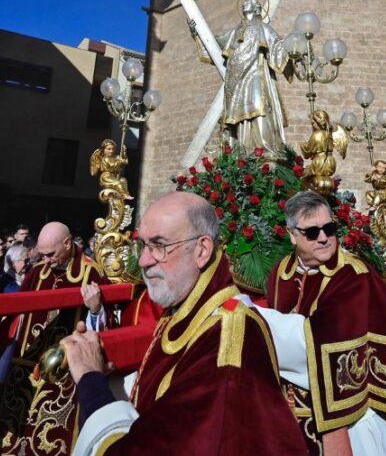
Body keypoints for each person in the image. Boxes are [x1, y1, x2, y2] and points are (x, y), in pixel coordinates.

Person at [62, 191, 306, 454]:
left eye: (159, 245)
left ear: (201, 250)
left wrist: (91, 380)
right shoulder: (185, 308)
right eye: (142, 245)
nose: (144, 260)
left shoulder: (227, 339)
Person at [265, 191, 386, 454]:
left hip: (347, 415)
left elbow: (320, 344)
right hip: (289, 410)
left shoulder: (353, 276)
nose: (323, 237)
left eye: (329, 228)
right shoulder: (280, 272)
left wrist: (259, 320)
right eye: (312, 232)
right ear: (292, 234)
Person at [0, 222, 106, 456]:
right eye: (42, 254)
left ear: (67, 243)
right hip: (23, 372)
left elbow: (105, 326)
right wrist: (0, 370)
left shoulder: (91, 273)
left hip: (64, 378)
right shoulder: (36, 273)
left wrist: (95, 310)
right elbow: (17, 322)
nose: (46, 260)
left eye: (51, 254)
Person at [192, 0, 290, 157]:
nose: (245, 2)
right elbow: (214, 44)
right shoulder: (235, 31)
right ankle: (241, 152)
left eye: (249, 1)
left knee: (259, 109)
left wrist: (293, 48)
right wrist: (196, 32)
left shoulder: (262, 28)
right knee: (238, 117)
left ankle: (265, 149)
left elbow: (278, 44)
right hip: (236, 82)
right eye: (244, 0)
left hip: (255, 76)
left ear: (257, 7)